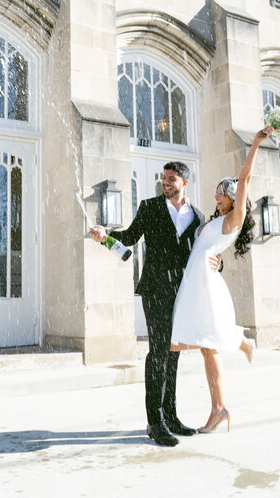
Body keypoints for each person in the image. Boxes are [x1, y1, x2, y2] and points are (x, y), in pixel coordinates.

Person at [90, 162, 221, 447]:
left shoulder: (198, 216)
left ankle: (171, 416)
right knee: (159, 352)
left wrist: (218, 262)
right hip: (156, 289)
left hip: (183, 292)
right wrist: (105, 237)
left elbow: (206, 252)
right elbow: (129, 237)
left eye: (171, 179)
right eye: (164, 178)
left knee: (173, 353)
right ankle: (155, 421)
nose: (166, 182)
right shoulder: (150, 207)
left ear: (184, 182)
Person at [170, 125, 275, 434]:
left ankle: (218, 407)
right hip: (196, 281)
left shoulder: (233, 218)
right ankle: (239, 343)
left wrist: (254, 145)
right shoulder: (214, 220)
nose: (216, 195)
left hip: (205, 285)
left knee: (204, 344)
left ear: (232, 198)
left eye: (221, 192)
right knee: (199, 342)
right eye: (216, 191)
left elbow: (245, 180)